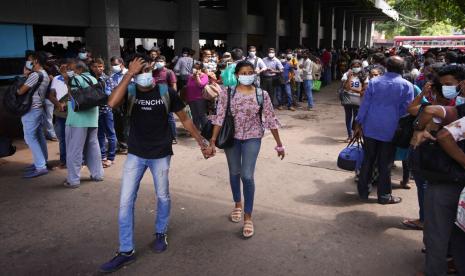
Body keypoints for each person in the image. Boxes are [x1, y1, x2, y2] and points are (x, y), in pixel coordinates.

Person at [99, 55, 209, 273]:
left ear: (154, 72)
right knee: (125, 202)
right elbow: (111, 103)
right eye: (139, 71)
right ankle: (125, 251)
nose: (144, 75)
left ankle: (161, 232)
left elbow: (185, 119)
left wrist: (202, 141)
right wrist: (129, 74)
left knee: (162, 195)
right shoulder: (129, 91)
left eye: (147, 70)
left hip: (160, 153)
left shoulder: (166, 92)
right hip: (136, 154)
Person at [208, 61, 285, 238]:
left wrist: (279, 144)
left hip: (253, 137)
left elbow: (271, 119)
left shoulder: (261, 94)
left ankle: (248, 217)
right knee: (234, 172)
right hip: (231, 139)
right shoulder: (227, 93)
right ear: (236, 75)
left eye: (250, 72)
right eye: (243, 72)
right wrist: (212, 140)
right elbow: (219, 117)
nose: (247, 75)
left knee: (247, 175)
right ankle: (237, 204)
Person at [411, 65, 465, 276]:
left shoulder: (453, 108)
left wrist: (419, 130)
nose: (447, 89)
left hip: (447, 179)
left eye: (450, 84)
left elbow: (441, 133)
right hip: (452, 179)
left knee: (437, 233)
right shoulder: (454, 106)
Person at [354, 56, 414, 204]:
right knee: (385, 164)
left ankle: (363, 192)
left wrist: (358, 124)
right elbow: (407, 111)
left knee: (368, 160)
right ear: (402, 68)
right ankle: (384, 196)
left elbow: (365, 105)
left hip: (371, 128)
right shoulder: (407, 86)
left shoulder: (374, 82)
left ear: (386, 67)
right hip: (391, 130)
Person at [63, 61, 104, 188]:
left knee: (74, 150)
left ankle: (73, 180)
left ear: (79, 69)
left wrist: (66, 81)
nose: (69, 71)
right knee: (93, 147)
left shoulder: (76, 79)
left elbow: (72, 97)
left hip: (77, 120)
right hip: (92, 118)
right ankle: (98, 174)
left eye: (71, 68)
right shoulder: (92, 78)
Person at [17, 51, 51, 178]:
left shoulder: (35, 75)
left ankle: (40, 166)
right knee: (38, 136)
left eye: (30, 60)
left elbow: (21, 91)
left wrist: (24, 75)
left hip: (31, 109)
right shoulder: (44, 74)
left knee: (29, 137)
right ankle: (42, 161)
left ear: (36, 61)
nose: (28, 62)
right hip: (38, 108)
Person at [48, 59, 75, 169]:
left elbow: (74, 94)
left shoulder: (75, 79)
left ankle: (79, 161)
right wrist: (58, 104)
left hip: (73, 114)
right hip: (60, 114)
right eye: (63, 68)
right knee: (62, 139)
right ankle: (63, 161)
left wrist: (65, 103)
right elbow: (51, 95)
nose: (65, 70)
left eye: (68, 68)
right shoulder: (56, 79)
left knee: (75, 139)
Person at [91, 58, 117, 168]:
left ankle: (111, 157)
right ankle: (102, 156)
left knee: (111, 134)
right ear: (92, 67)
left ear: (103, 67)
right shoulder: (90, 79)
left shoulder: (107, 79)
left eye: (100, 66)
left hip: (106, 110)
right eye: (96, 66)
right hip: (95, 111)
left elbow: (112, 94)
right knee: (99, 134)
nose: (98, 69)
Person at [153, 55, 178, 144]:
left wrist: (173, 98)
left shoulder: (169, 72)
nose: (159, 63)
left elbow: (174, 85)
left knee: (170, 118)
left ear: (164, 62)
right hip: (155, 98)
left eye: (161, 61)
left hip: (167, 97)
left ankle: (173, 136)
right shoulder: (153, 72)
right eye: (157, 61)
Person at [341, 60, 368, 141]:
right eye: (354, 66)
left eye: (358, 66)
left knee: (356, 118)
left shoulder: (364, 76)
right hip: (347, 98)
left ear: (361, 67)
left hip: (358, 99)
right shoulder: (346, 74)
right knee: (348, 117)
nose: (356, 68)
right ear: (351, 67)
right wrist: (349, 77)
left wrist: (354, 91)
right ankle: (349, 135)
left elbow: (365, 89)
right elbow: (346, 87)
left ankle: (355, 134)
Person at [109, 56, 130, 154]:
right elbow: (111, 89)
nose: (114, 67)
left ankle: (130, 145)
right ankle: (122, 145)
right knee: (118, 125)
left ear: (122, 64)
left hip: (127, 102)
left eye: (116, 64)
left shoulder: (129, 74)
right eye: (112, 65)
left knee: (127, 125)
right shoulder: (112, 76)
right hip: (116, 103)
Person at [186, 62, 209, 131]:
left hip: (200, 99)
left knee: (202, 115)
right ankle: (196, 131)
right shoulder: (190, 77)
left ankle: (206, 131)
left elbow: (201, 85)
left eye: (197, 68)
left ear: (201, 69)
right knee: (194, 116)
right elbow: (188, 86)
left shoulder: (204, 76)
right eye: (194, 68)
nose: (195, 69)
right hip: (191, 99)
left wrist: (197, 76)